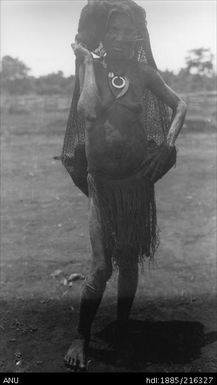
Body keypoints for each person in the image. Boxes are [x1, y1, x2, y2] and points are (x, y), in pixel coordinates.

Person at [62, 0, 187, 371]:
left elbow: (180, 104)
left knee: (129, 260)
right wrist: (87, 62)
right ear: (104, 34)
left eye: (126, 31)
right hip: (102, 186)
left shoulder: (145, 73)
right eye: (112, 30)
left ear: (136, 36)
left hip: (135, 187)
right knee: (101, 267)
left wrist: (168, 144)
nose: (119, 37)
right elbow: (87, 111)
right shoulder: (91, 68)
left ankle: (123, 329)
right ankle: (81, 336)